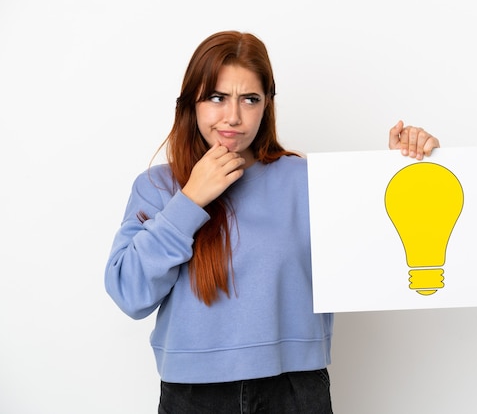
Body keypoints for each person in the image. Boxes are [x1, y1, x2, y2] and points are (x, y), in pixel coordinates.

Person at [105, 30, 439, 414]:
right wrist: (191, 199)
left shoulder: (305, 180)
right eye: (217, 97)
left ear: (267, 105)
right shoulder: (157, 186)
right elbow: (129, 294)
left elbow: (383, 255)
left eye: (250, 99)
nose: (233, 116)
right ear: (190, 103)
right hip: (193, 395)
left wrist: (406, 168)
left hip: (294, 389)